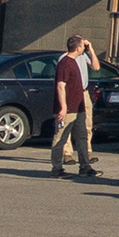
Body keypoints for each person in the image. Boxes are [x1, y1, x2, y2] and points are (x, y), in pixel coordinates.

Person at [51, 34, 101, 179]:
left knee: (82, 136)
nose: (83, 47)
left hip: (79, 106)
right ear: (78, 47)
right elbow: (61, 86)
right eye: (82, 45)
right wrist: (63, 107)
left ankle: (85, 167)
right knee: (60, 137)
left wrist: (91, 49)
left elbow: (96, 67)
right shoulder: (65, 62)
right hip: (68, 107)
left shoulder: (76, 60)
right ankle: (57, 168)